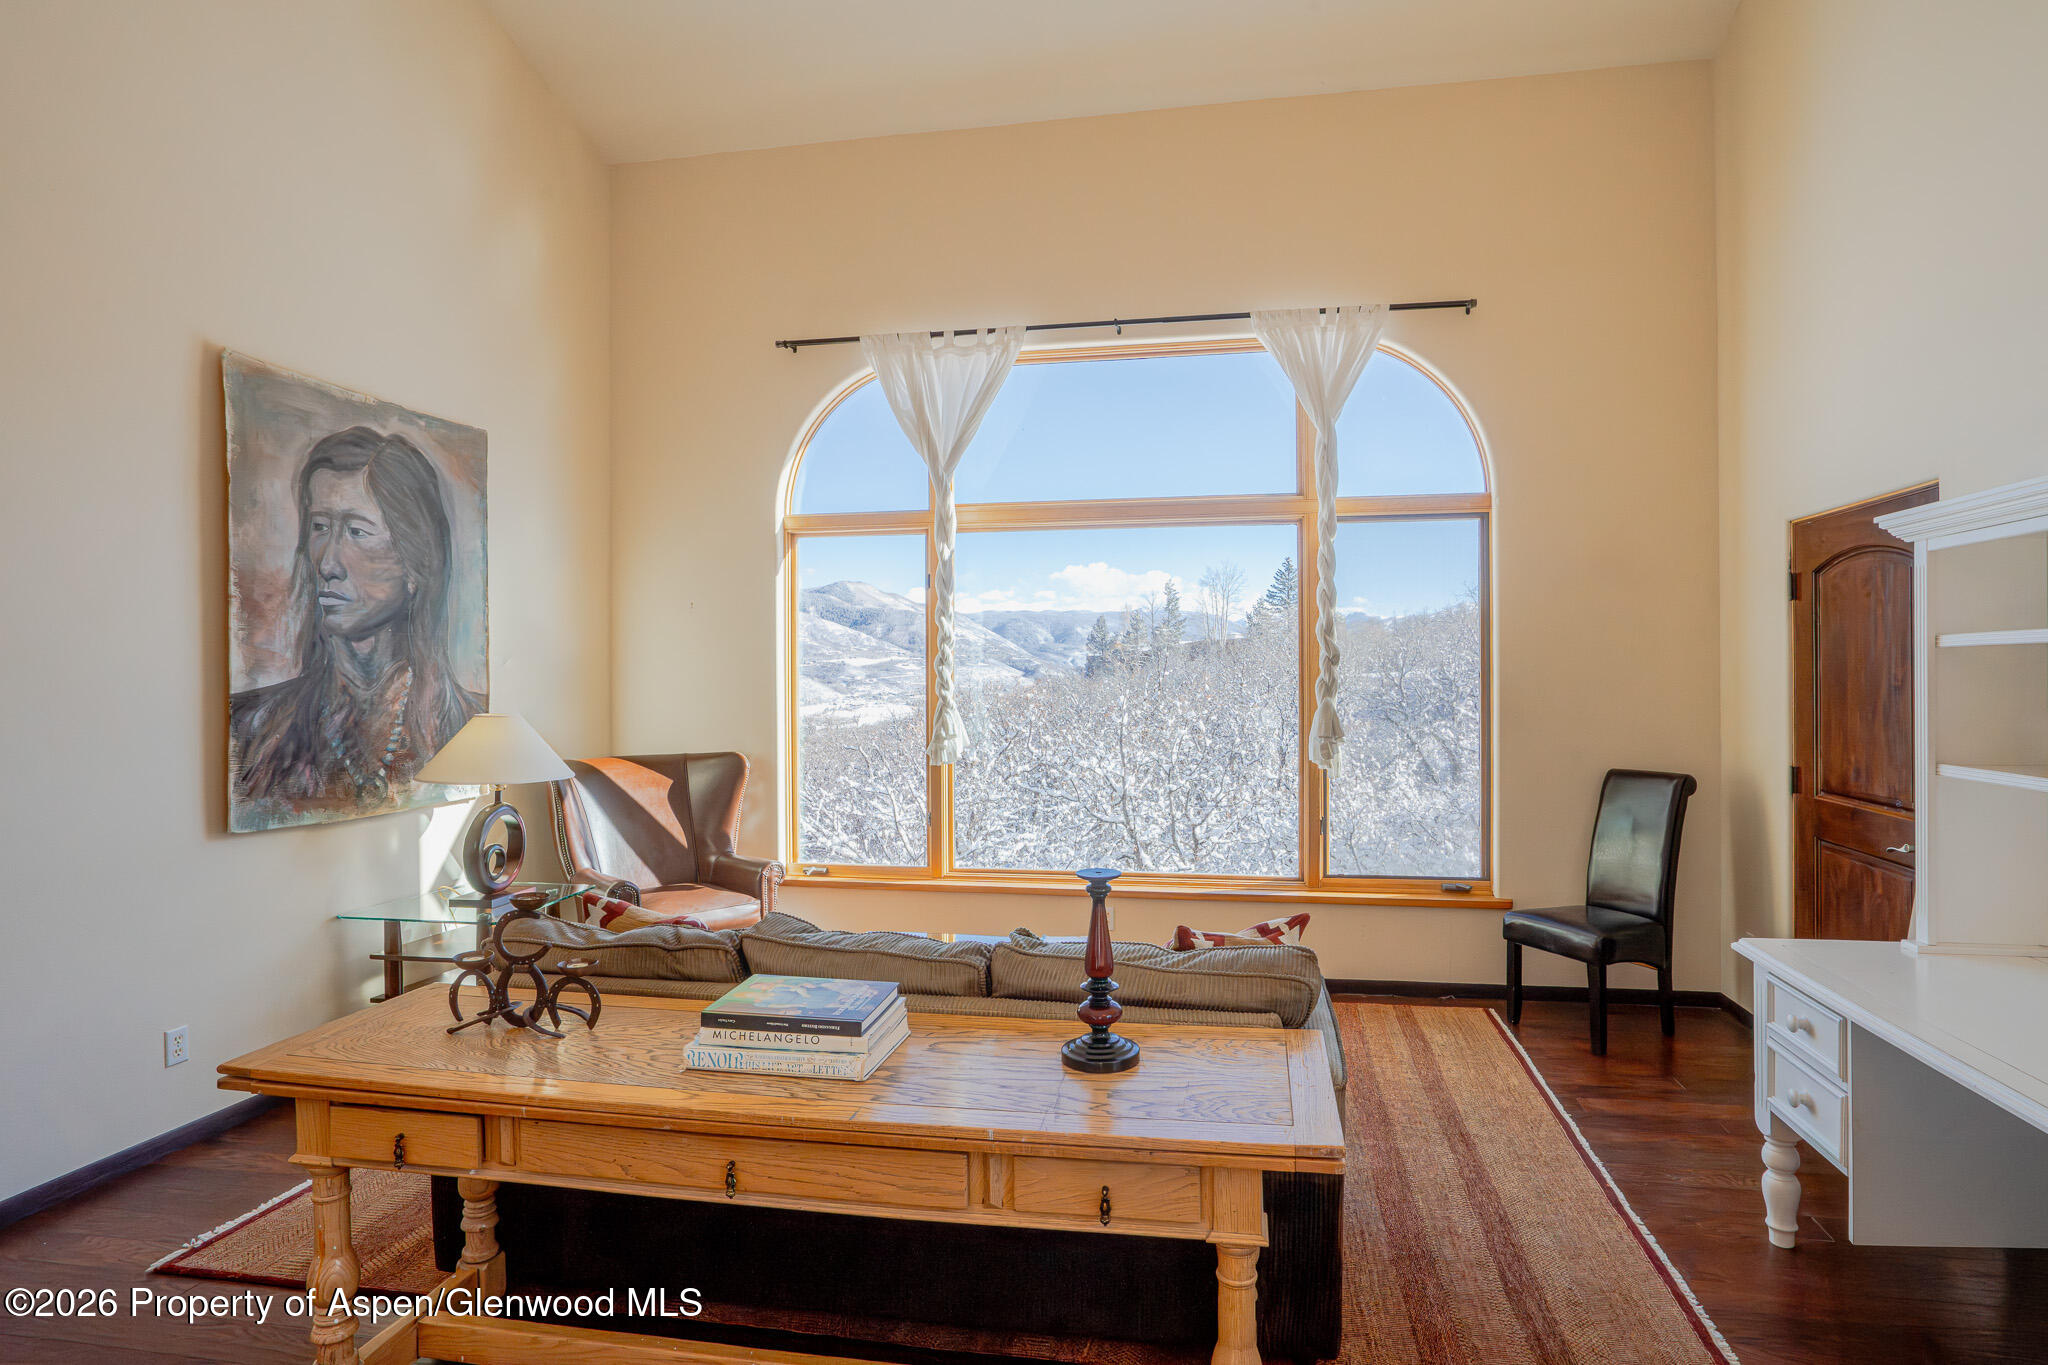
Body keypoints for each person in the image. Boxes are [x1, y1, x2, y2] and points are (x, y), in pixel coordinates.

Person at [231, 426, 482, 818]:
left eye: (356, 531)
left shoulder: (474, 730)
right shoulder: (249, 729)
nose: (328, 564)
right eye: (319, 527)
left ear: (415, 561)